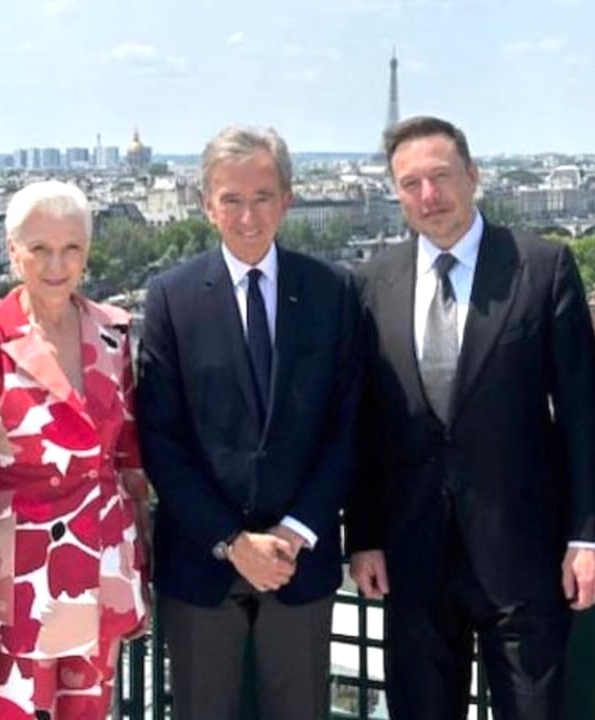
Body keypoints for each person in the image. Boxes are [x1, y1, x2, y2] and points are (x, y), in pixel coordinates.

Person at [345, 116, 595, 720]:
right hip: (412, 558)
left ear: (473, 175)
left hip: (524, 554)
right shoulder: (371, 283)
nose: (428, 196)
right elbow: (365, 425)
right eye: (410, 183)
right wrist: (362, 535)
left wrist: (589, 533)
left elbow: (580, 412)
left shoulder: (541, 267)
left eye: (440, 177)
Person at [136, 126, 361, 720]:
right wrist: (232, 543)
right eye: (231, 199)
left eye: (262, 196)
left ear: (288, 199)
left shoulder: (333, 291)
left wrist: (295, 531)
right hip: (204, 559)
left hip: (298, 558)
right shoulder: (171, 298)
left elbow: (348, 426)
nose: (247, 215)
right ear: (206, 205)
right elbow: (161, 439)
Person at [0, 181, 150, 719]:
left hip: (100, 565)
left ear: (86, 251)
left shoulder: (113, 333)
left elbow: (128, 461)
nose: (57, 264)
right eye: (40, 249)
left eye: (71, 248)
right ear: (13, 252)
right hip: (23, 584)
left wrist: (138, 568)